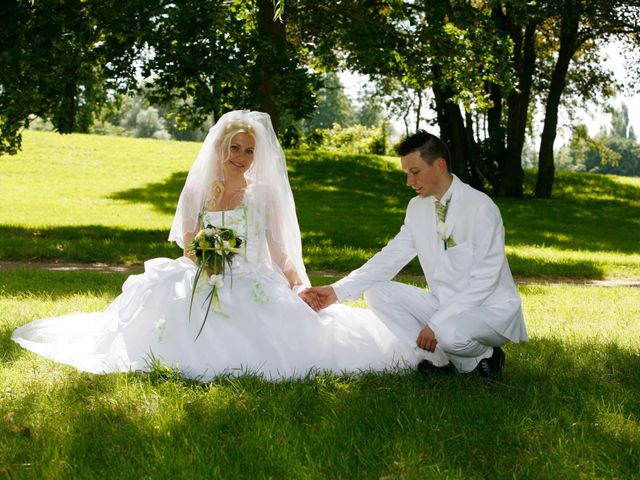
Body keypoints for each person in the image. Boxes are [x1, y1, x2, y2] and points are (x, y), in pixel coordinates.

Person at [12, 110, 425, 381]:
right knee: (167, 300)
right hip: (204, 271)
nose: (242, 157)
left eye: (249, 151)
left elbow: (279, 248)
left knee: (289, 326)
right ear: (220, 147)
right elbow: (188, 237)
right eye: (235, 148)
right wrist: (204, 259)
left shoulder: (262, 193)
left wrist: (298, 282)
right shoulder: (199, 190)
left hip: (252, 275)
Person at [303, 130, 528, 379]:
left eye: (415, 172)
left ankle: (487, 357)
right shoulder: (416, 208)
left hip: (490, 310)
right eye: (407, 174)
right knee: (377, 292)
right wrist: (336, 290)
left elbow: (486, 280)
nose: (409, 182)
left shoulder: (481, 207)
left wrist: (437, 323)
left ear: (439, 165)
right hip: (445, 305)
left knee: (450, 334)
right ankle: (440, 362)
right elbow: (390, 258)